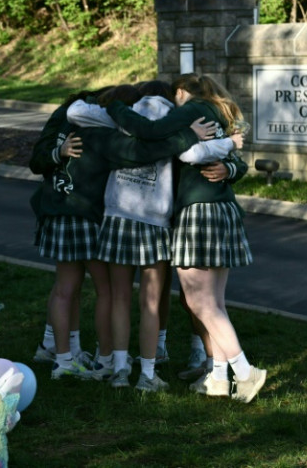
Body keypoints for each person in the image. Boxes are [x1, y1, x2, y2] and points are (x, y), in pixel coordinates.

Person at [67, 80, 242, 391]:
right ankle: (147, 374)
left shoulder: (121, 117)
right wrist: (230, 146)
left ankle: (120, 368)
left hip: (118, 216)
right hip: (154, 222)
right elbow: (197, 152)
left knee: (120, 297)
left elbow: (76, 112)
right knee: (149, 300)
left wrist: (112, 104)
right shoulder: (175, 127)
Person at [30, 84, 211, 381]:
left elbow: (52, 140)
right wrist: (184, 136)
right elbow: (137, 152)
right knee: (114, 293)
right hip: (101, 215)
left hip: (73, 211)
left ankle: (70, 358)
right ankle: (112, 362)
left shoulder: (84, 118)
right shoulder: (112, 132)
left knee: (72, 289)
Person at [106, 73, 267, 402]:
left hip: (197, 213)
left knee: (200, 302)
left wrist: (117, 107)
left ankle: (246, 372)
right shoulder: (220, 114)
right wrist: (228, 156)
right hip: (224, 211)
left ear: (181, 92)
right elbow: (234, 161)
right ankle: (218, 379)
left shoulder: (189, 110)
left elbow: (157, 137)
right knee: (215, 303)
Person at [29, 88, 113, 378]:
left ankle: (65, 358)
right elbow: (38, 159)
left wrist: (57, 151)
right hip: (87, 213)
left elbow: (38, 158)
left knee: (67, 288)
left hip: (60, 208)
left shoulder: (63, 117)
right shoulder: (105, 120)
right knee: (106, 289)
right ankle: (106, 360)